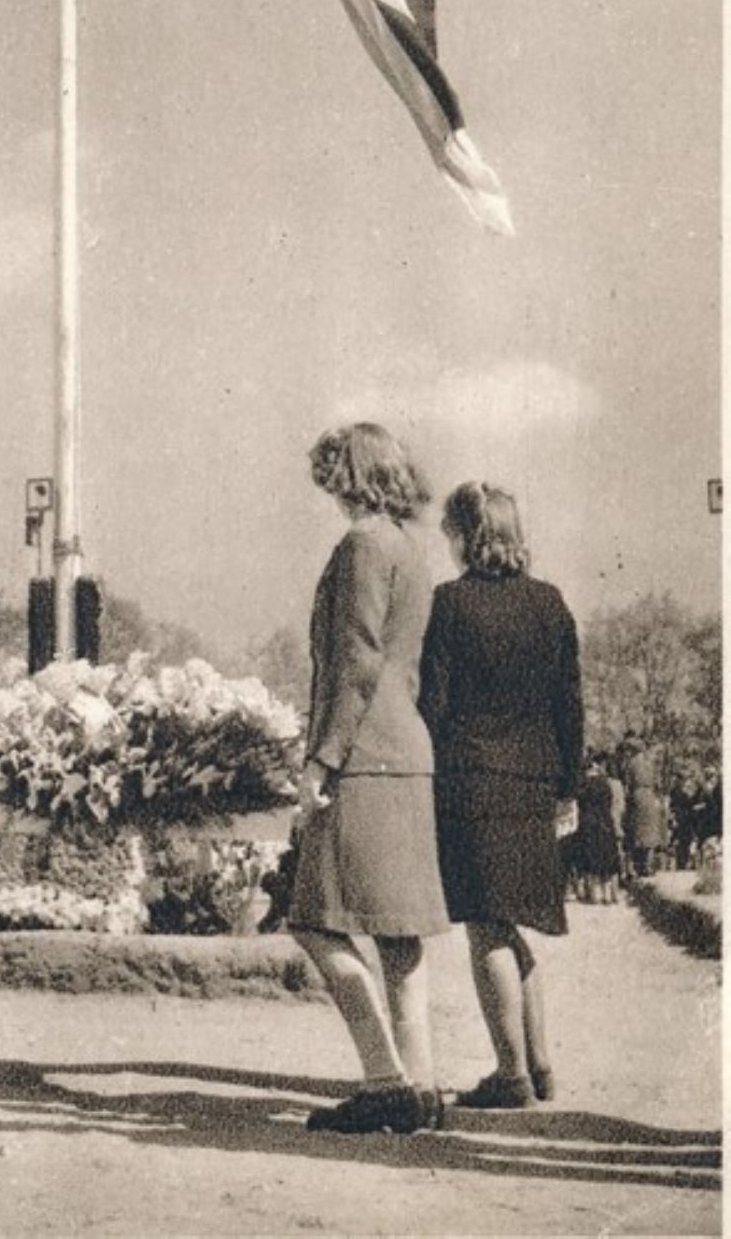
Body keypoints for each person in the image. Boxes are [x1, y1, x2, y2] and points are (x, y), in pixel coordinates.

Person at [290, 422, 449, 1136]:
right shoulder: (410, 549)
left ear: (348, 474)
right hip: (405, 751)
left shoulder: (360, 545)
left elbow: (353, 662)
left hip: (362, 756)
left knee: (315, 921)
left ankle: (384, 1083)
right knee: (397, 935)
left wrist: (321, 758)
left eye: (330, 473)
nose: (324, 488)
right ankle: (422, 1085)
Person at [420, 482, 584, 1109]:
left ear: (464, 535)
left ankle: (510, 1074)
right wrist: (567, 786)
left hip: (470, 783)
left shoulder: (450, 604)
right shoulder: (551, 603)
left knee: (485, 928)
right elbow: (570, 706)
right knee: (514, 924)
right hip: (533, 783)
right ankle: (539, 1065)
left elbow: (433, 705)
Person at [573, 754, 621, 903]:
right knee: (607, 858)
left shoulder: (584, 785)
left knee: (590, 858)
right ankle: (608, 894)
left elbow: (580, 803)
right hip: (605, 822)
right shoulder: (605, 784)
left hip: (588, 823)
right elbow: (609, 802)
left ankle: (594, 894)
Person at [622, 737, 667, 878]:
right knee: (651, 832)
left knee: (637, 833)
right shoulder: (650, 762)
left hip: (638, 796)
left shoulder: (631, 763)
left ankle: (638, 867)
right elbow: (658, 781)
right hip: (650, 796)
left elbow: (627, 785)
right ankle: (648, 866)